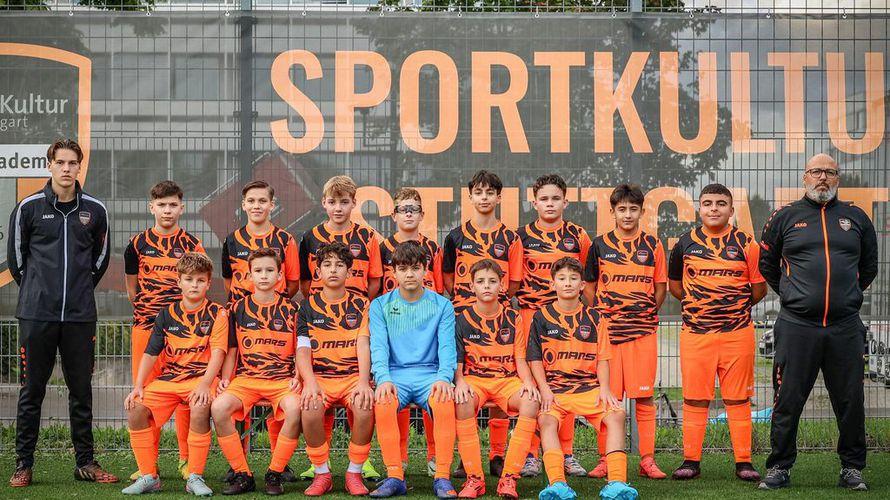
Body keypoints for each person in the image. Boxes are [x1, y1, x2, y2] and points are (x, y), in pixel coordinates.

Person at [758, 153, 877, 492]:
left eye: (829, 172)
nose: (822, 177)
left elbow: (869, 267)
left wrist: (845, 297)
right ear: (804, 177)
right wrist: (794, 295)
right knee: (787, 400)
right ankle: (780, 466)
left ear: (838, 177)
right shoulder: (784, 217)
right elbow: (768, 265)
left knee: (851, 401)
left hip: (845, 326)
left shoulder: (856, 218)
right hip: (797, 326)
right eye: (816, 171)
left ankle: (852, 468)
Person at [7, 139, 116, 487]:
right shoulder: (28, 207)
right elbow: (16, 261)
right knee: (32, 391)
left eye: (72, 163)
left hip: (80, 317)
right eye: (61, 162)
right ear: (50, 165)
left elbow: (100, 260)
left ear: (80, 167)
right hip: (36, 314)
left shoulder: (95, 210)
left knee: (81, 391)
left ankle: (85, 463)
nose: (67, 168)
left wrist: (78, 289)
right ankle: (24, 463)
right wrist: (39, 291)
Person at [668, 183, 766, 482]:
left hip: (737, 334)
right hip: (696, 335)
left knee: (738, 399)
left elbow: (758, 289)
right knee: (695, 398)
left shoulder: (747, 244)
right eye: (708, 203)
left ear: (731, 209)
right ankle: (691, 461)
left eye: (721, 203)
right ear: (699, 209)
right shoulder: (684, 243)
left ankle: (744, 462)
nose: (714, 208)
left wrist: (730, 308)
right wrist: (702, 308)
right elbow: (675, 287)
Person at [526, 257, 637, 500]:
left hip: (588, 389)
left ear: (582, 285)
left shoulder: (595, 318)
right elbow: (534, 359)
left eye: (573, 278)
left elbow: (603, 358)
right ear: (553, 283)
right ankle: (558, 484)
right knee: (546, 420)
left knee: (616, 414)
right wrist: (544, 389)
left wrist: (605, 388)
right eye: (562, 278)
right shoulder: (541, 317)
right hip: (555, 390)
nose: (567, 283)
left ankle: (616, 483)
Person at [298, 174, 384, 481]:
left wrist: (355, 302)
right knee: (318, 398)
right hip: (323, 312)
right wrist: (324, 301)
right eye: (332, 202)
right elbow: (305, 283)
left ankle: (362, 462)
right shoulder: (310, 237)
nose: (338, 208)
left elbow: (375, 279)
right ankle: (319, 464)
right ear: (324, 203)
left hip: (355, 315)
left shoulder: (367, 236)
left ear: (353, 204)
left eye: (344, 202)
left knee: (360, 397)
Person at [122, 253, 226, 496]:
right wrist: (138, 386)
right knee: (135, 408)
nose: (194, 285)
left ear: (208, 283)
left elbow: (218, 353)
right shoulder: (166, 314)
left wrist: (205, 384)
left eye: (200, 280)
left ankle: (195, 477)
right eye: (189, 279)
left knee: (200, 406)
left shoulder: (218, 313)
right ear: (179, 281)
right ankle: (149, 476)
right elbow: (151, 353)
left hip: (202, 379)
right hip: (171, 379)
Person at [583, 184, 667, 479]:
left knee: (644, 398)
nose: (628, 214)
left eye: (633, 209)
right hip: (608, 336)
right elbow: (589, 288)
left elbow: (660, 288)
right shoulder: (599, 245)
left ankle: (647, 460)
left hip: (642, 333)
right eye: (622, 209)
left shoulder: (653, 245)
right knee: (608, 398)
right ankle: (606, 460)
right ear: (613, 212)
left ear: (642, 212)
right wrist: (605, 317)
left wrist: (640, 315)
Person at [443, 170, 522, 478]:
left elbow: (514, 282)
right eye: (479, 192)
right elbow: (448, 279)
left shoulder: (510, 238)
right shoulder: (455, 236)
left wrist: (495, 304)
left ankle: (498, 454)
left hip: (498, 317)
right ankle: (468, 457)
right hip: (463, 319)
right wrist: (467, 307)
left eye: (490, 192)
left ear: (499, 197)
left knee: (501, 376)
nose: (485, 197)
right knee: (465, 386)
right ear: (471, 196)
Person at [220, 179, 300, 482]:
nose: (256, 206)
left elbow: (293, 282)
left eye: (262, 201)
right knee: (232, 398)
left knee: (280, 394)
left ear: (272, 204)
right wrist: (246, 306)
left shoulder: (285, 239)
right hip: (241, 324)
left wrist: (272, 306)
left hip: (275, 319)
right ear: (243, 205)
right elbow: (229, 282)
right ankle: (237, 464)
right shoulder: (232, 240)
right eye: (251, 201)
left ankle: (280, 465)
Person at [124, 180, 205, 480]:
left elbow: (198, 286)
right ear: (152, 207)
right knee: (145, 393)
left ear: (182, 208)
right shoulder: (137, 244)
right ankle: (149, 463)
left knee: (186, 393)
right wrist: (153, 312)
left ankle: (186, 459)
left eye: (173, 205)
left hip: (184, 332)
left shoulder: (192, 244)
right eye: (161, 205)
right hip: (146, 328)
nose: (167, 210)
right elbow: (132, 290)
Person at [368, 241, 459, 499]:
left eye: (416, 268)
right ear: (393, 272)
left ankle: (442, 477)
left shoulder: (442, 306)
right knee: (384, 401)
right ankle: (395, 476)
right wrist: (383, 379)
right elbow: (379, 348)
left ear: (426, 270)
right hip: (395, 375)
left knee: (444, 401)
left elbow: (447, 348)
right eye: (403, 268)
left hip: (430, 375)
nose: (410, 274)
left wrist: (444, 378)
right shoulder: (380, 306)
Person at [517, 173, 591, 478]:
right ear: (534, 202)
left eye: (555, 198)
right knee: (533, 386)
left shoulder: (578, 235)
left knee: (566, 381)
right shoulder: (520, 236)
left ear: (565, 202)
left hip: (567, 318)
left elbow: (586, 276)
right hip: (530, 315)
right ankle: (531, 455)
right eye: (544, 199)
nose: (550, 204)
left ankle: (567, 453)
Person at [211, 248, 302, 495]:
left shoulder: (293, 310)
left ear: (280, 275)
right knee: (219, 408)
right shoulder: (236, 309)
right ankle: (242, 474)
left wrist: (298, 376)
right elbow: (232, 350)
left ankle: (275, 472)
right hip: (246, 380)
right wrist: (226, 378)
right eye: (258, 271)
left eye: (269, 270)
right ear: (249, 276)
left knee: (295, 409)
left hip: (282, 381)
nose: (264, 275)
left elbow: (302, 349)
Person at [451, 259, 540, 500]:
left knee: (531, 401)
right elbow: (458, 361)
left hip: (506, 381)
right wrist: (460, 381)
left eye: (492, 281)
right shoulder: (462, 318)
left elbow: (520, 358)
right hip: (475, 380)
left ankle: (509, 477)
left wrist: (528, 383)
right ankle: (474, 479)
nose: (486, 286)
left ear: (502, 285)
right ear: (472, 286)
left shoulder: (513, 317)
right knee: (462, 401)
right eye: (480, 281)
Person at [296, 242, 374, 496]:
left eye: (340, 265)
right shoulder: (306, 306)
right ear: (317, 272)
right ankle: (322, 474)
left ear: (349, 272)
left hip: (352, 377)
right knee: (309, 407)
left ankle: (354, 472)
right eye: (327, 265)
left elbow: (363, 344)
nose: (333, 270)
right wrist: (309, 381)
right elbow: (302, 350)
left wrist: (363, 381)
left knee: (364, 406)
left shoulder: (362, 304)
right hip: (320, 377)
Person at [380, 187, 442, 477]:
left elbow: (440, 286)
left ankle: (434, 456)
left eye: (413, 209)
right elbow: (374, 285)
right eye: (403, 209)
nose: (408, 214)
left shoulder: (433, 248)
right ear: (393, 215)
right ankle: (400, 458)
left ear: (421, 214)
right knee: (396, 389)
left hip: (425, 321)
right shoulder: (382, 247)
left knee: (435, 390)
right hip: (394, 321)